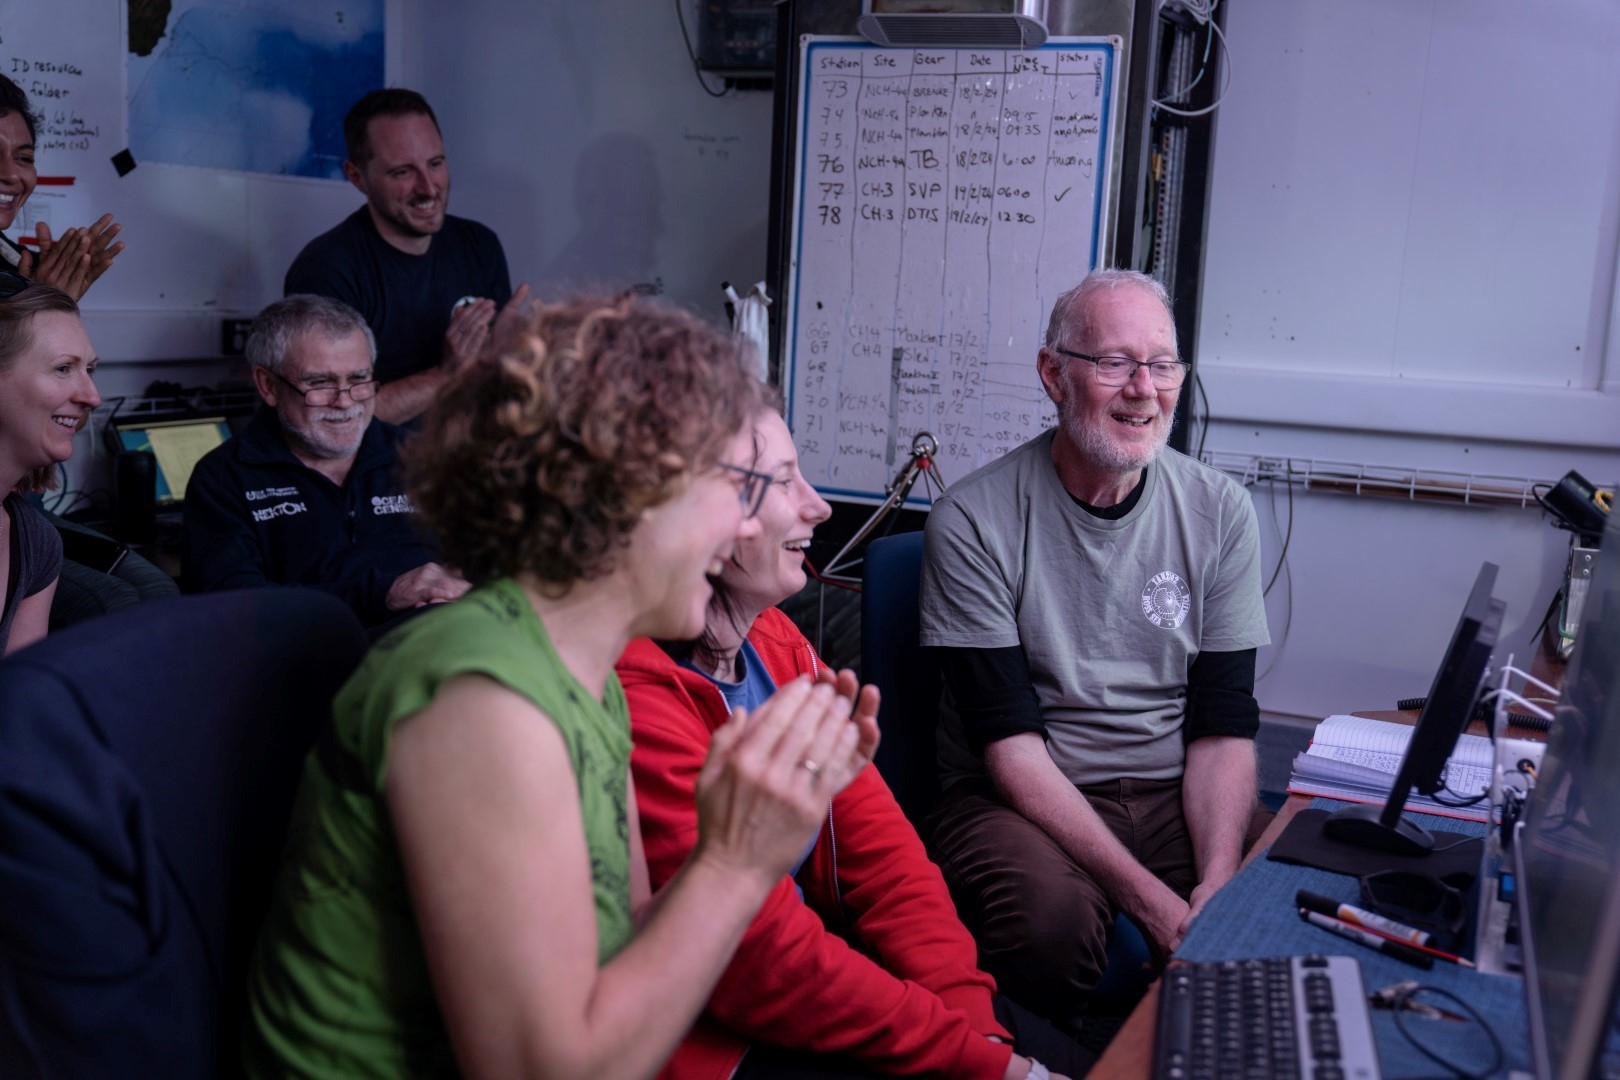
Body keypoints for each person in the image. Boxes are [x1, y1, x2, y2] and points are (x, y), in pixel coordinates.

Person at [244, 294, 879, 1078]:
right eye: (734, 487)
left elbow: (630, 939)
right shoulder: (483, 705)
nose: (745, 526)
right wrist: (737, 862)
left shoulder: (581, 669)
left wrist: (747, 832)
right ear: (628, 496)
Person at [617, 403, 1092, 1080]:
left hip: (835, 987)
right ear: (701, 514)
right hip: (729, 1043)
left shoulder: (772, 639)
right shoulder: (636, 692)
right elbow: (757, 959)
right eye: (783, 481)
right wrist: (982, 1067)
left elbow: (885, 860)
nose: (816, 507)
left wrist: (976, 1033)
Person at [920, 269, 1271, 1034]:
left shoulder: (1221, 512)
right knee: (1049, 925)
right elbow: (1010, 751)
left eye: (1163, 364)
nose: (1143, 390)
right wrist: (1154, 904)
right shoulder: (972, 520)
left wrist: (1215, 881)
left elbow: (1223, 724)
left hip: (1173, 785)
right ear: (1054, 375)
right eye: (1114, 363)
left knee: (1277, 899)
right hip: (1016, 794)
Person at [182, 294, 466, 628]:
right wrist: (383, 594)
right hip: (313, 664)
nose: (344, 402)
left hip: (447, 639)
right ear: (268, 385)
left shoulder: (423, 456)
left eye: (359, 380)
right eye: (320, 383)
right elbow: (233, 609)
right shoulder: (224, 479)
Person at [284, 87, 528, 424]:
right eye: (403, 172)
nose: (428, 188)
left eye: (435, 164)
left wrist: (522, 354)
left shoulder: (479, 245)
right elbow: (334, 418)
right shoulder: (327, 271)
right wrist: (447, 374)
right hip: (378, 474)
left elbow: (494, 384)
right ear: (357, 178)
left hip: (466, 464)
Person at [0, 282, 100, 655]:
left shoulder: (36, 542)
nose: (92, 396)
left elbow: (18, 702)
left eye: (89, 369)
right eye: (63, 368)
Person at [0, 75, 125, 301]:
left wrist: (42, 287)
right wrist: (42, 305)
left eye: (24, 157)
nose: (11, 174)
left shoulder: (18, 264)